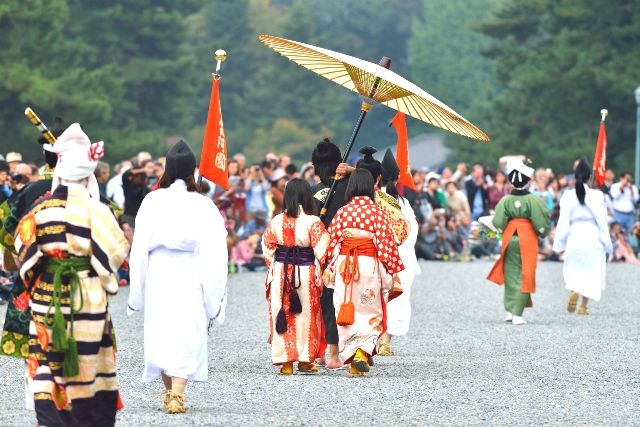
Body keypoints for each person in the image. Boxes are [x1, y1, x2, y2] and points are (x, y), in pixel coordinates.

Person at [14, 123, 129, 426]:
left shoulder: (41, 210)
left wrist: (40, 274)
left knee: (48, 360)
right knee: (89, 364)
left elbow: (22, 253)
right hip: (86, 294)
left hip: (47, 295)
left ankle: (53, 418)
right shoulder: (98, 210)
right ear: (88, 173)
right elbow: (117, 251)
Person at [127, 141, 228, 414]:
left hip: (159, 271)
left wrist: (137, 288)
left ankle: (170, 391)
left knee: (161, 329)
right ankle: (177, 393)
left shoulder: (152, 200)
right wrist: (214, 294)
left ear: (166, 170)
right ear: (192, 171)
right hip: (190, 272)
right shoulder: (203, 204)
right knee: (188, 329)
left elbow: (138, 247)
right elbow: (217, 249)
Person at [325, 169, 404, 376]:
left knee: (345, 309)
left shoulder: (343, 212)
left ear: (351, 187)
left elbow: (331, 243)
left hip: (345, 267)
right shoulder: (377, 212)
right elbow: (386, 246)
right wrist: (393, 272)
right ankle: (361, 354)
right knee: (369, 310)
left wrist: (328, 268)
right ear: (370, 188)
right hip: (368, 265)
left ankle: (353, 356)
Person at [261, 179, 330, 375]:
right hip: (305, 272)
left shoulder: (277, 221)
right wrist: (321, 269)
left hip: (281, 270)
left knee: (282, 311)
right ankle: (305, 359)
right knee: (306, 315)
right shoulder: (313, 222)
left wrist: (276, 267)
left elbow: (267, 247)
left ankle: (286, 362)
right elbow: (323, 250)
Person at [486, 159, 551, 325]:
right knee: (526, 273)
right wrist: (543, 232)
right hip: (527, 237)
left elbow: (498, 222)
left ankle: (509, 311)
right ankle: (517, 314)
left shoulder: (505, 201)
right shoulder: (534, 200)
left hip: (509, 236)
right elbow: (541, 223)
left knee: (511, 273)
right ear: (528, 181)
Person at [310, 138, 351, 370]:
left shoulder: (311, 192)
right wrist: (353, 171)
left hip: (318, 255)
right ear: (339, 163)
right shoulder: (351, 188)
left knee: (320, 302)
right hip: (347, 255)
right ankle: (335, 353)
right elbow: (375, 175)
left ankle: (318, 352)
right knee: (342, 302)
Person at [553, 159, 612, 315]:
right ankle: (583, 307)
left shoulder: (567, 195)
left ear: (575, 176)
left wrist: (559, 244)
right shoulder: (597, 195)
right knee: (590, 270)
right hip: (592, 235)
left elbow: (563, 221)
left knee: (574, 268)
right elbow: (602, 221)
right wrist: (607, 243)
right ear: (589, 178)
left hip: (575, 235)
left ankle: (574, 290)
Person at [376, 149, 421, 356]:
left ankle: (372, 338)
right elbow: (412, 230)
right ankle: (386, 340)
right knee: (396, 297)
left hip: (376, 254)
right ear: (396, 178)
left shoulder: (374, 200)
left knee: (374, 297)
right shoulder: (403, 203)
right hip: (401, 256)